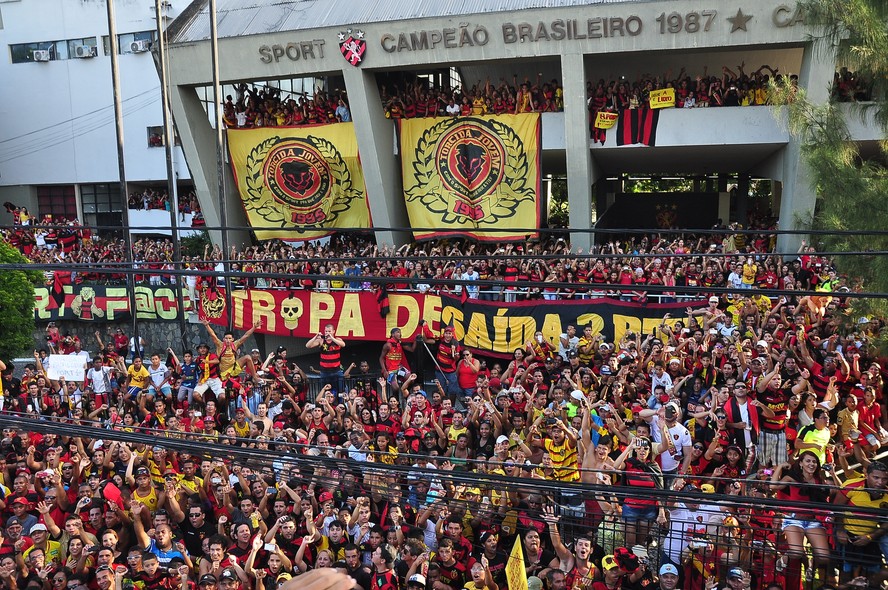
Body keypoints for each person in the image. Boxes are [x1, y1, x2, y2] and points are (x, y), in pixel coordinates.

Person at [306, 324, 346, 396]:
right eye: (326, 331)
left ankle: (341, 405)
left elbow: (343, 344)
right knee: (324, 392)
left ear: (333, 331)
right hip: (325, 372)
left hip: (336, 371)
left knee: (340, 391)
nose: (327, 333)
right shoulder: (321, 340)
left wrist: (332, 338)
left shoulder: (338, 340)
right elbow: (308, 346)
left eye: (329, 331)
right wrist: (315, 337)